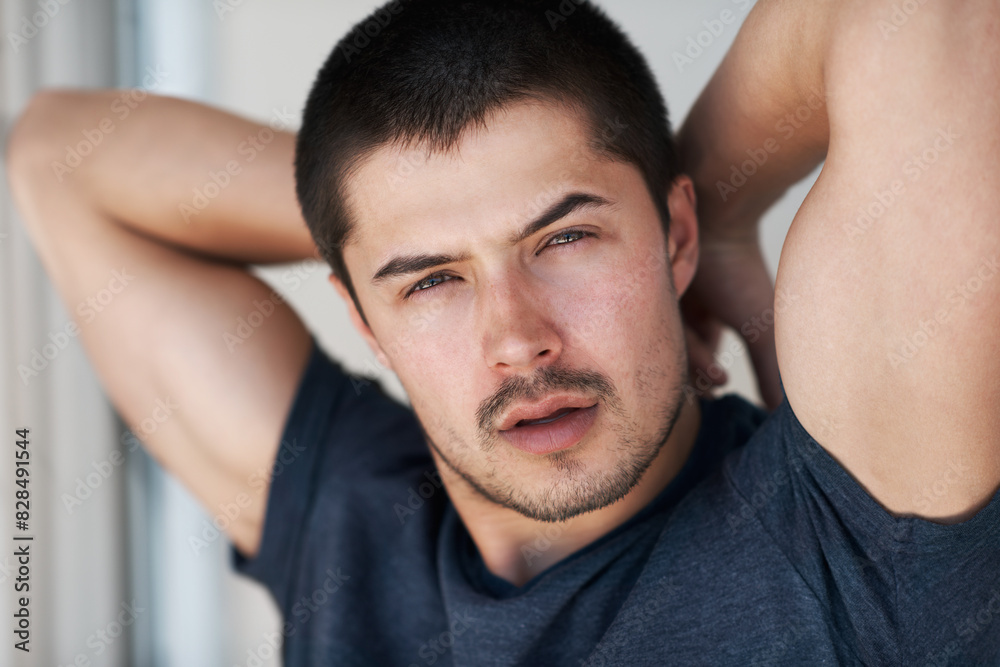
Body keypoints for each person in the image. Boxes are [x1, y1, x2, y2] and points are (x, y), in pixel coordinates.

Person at [7, 0, 999, 664]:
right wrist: (394, 218)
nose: (518, 339)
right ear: (363, 316)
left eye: (564, 237)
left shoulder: (849, 535)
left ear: (674, 232)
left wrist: (726, 197)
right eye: (430, 281)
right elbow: (57, 155)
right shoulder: (354, 526)